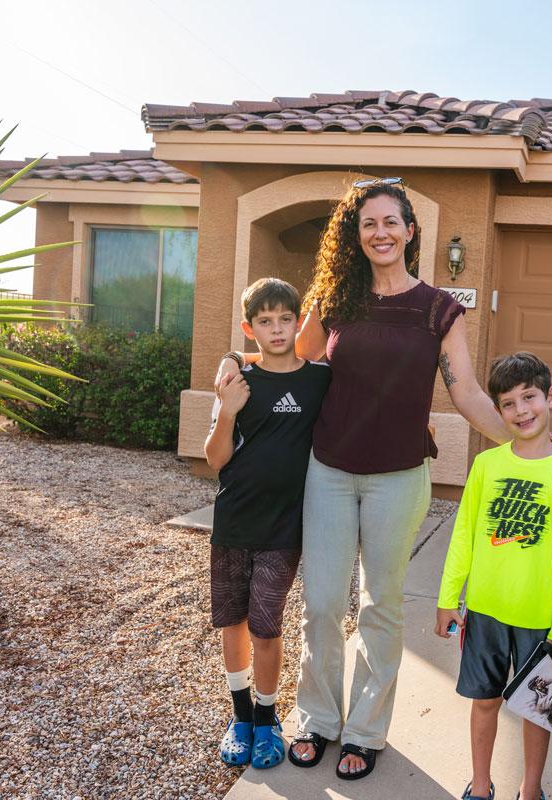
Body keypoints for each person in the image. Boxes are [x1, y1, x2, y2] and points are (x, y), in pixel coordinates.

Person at [214, 178, 552, 780]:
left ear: (410, 230)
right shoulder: (336, 300)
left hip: (399, 477)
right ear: (357, 233)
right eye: (368, 223)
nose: (381, 233)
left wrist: (527, 438)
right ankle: (317, 719)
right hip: (329, 470)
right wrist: (232, 367)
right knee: (320, 603)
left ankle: (365, 730)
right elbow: (288, 357)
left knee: (380, 605)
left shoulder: (438, 310)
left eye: (391, 222)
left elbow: (468, 392)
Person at [435, 352, 552, 800]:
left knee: (539, 711)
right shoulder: (486, 466)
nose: (522, 411)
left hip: (540, 619)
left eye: (530, 397)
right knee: (484, 702)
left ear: (550, 397)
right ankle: (480, 786)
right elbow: (463, 535)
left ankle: (530, 790)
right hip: (484, 611)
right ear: (498, 412)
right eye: (509, 403)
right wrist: (449, 597)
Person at [203, 278, 331, 770]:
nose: (276, 329)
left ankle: (266, 718)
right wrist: (228, 413)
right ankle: (239, 718)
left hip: (283, 528)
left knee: (265, 625)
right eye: (265, 321)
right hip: (234, 519)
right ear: (248, 327)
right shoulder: (237, 382)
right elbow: (215, 459)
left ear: (298, 322)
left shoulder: (319, 379)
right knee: (231, 621)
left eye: (285, 319)